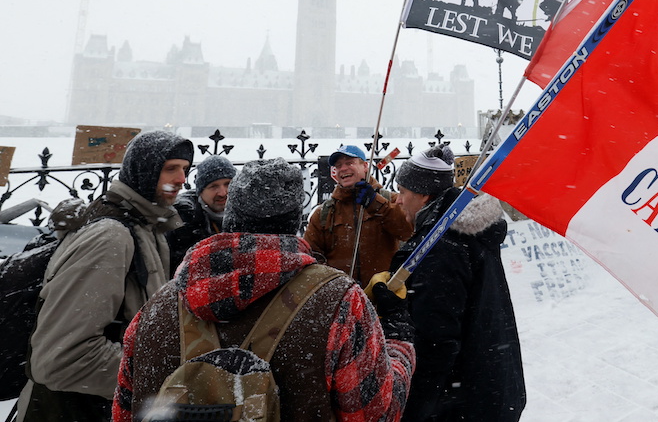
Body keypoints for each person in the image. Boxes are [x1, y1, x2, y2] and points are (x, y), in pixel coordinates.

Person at [112, 157, 415, 422]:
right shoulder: (338, 303)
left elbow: (123, 411)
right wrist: (398, 342)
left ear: (231, 217)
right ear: (296, 219)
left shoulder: (157, 307)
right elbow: (377, 412)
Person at [20, 130, 193, 422]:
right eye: (170, 168)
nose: (182, 179)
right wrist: (161, 374)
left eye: (185, 169)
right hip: (72, 410)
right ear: (145, 172)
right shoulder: (111, 237)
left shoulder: (147, 226)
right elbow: (62, 357)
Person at [389, 144, 526, 422]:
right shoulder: (464, 232)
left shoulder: (438, 247)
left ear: (423, 193)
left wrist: (413, 409)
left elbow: (435, 340)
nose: (398, 200)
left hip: (461, 402)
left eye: (403, 192)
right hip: (493, 386)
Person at [304, 144, 412, 284]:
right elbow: (311, 257)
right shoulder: (324, 213)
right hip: (343, 298)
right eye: (338, 165)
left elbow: (407, 231)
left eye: (350, 163)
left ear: (365, 166)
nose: (343, 168)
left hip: (383, 296)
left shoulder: (392, 200)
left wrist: (376, 204)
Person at [166, 154, 236, 274]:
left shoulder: (244, 215)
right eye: (213, 186)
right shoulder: (183, 220)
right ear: (200, 191)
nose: (223, 192)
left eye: (227, 184)